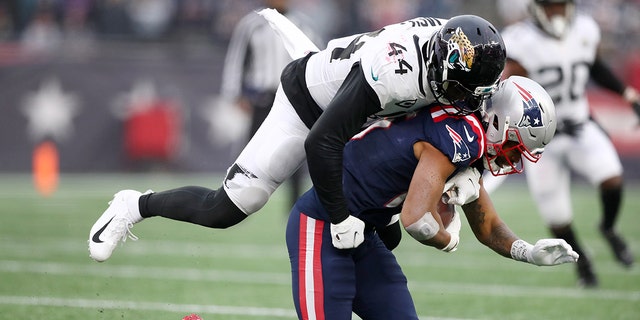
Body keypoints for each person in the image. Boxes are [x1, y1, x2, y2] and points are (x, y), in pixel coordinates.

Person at [89, 14, 507, 262]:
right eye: (460, 89)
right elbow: (321, 142)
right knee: (230, 207)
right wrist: (340, 218)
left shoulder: (449, 51)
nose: (465, 101)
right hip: (309, 105)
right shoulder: (397, 72)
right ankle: (135, 205)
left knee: (387, 234)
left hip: (363, 113)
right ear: (440, 63)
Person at [286, 76, 577, 319]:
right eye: (516, 146)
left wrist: (528, 252)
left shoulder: (469, 137)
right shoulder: (461, 137)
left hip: (364, 235)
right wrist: (448, 239)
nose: (513, 158)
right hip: (323, 228)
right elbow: (416, 220)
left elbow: (487, 225)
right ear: (500, 122)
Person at [484, 0, 638, 288]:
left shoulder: (585, 29)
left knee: (612, 178)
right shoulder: (520, 40)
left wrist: (627, 95)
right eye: (551, 7)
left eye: (561, 6)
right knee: (557, 218)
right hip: (541, 140)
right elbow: (510, 87)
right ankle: (584, 265)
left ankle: (608, 228)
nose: (557, 13)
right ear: (537, 9)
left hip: (580, 125)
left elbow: (595, 66)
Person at [220, 0, 320, 210]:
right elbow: (236, 59)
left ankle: (293, 204)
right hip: (262, 98)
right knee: (251, 151)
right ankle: (233, 200)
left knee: (295, 150)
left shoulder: (303, 24)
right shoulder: (252, 24)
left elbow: (316, 59)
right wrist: (235, 93)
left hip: (294, 98)